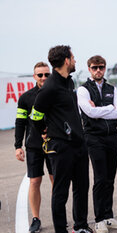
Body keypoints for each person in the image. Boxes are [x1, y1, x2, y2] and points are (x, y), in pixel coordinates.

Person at [31, 45, 91, 233]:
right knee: (61, 192)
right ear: (66, 61)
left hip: (79, 144)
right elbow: (35, 116)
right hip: (61, 147)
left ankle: (81, 226)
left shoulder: (68, 82)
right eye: (73, 57)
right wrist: (44, 131)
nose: (75, 60)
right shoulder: (50, 87)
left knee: (82, 188)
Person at [77, 55, 117, 233]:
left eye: (101, 67)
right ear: (89, 69)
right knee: (100, 179)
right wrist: (108, 109)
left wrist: (100, 110)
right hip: (94, 138)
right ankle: (99, 220)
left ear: (105, 68)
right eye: (95, 67)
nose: (98, 70)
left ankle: (108, 216)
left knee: (110, 180)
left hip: (112, 137)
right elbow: (90, 112)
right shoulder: (83, 90)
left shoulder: (112, 88)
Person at [14, 61, 53, 233]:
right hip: (34, 146)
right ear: (34, 76)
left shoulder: (58, 93)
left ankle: (59, 215)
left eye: (47, 74)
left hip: (54, 144)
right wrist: (17, 145)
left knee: (56, 181)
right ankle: (36, 219)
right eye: (40, 75)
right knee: (35, 181)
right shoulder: (25, 97)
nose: (44, 77)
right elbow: (20, 122)